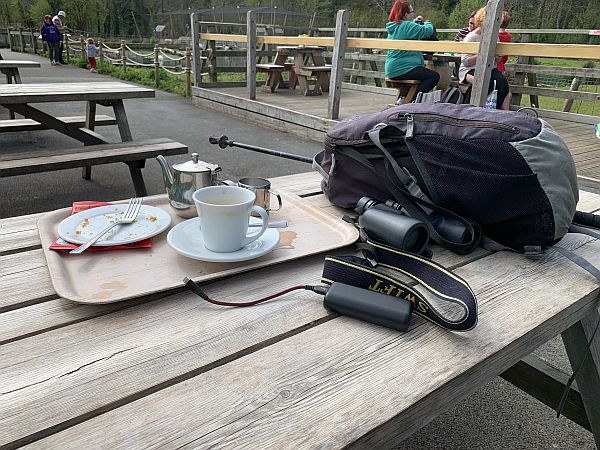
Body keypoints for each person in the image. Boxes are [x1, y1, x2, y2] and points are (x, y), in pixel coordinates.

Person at [458, 7, 510, 110]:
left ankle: (496, 110)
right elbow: (465, 62)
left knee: (502, 82)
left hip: (489, 67)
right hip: (470, 69)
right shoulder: (471, 37)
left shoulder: (496, 37)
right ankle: (479, 109)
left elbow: (498, 60)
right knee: (485, 82)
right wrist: (482, 54)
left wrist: (498, 56)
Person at [384, 1, 440, 97]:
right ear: (406, 15)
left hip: (392, 69)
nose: (413, 14)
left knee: (424, 75)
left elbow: (406, 29)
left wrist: (415, 21)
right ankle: (413, 101)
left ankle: (403, 98)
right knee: (434, 76)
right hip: (403, 68)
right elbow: (427, 30)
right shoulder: (407, 26)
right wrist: (428, 22)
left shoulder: (395, 26)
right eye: (412, 12)